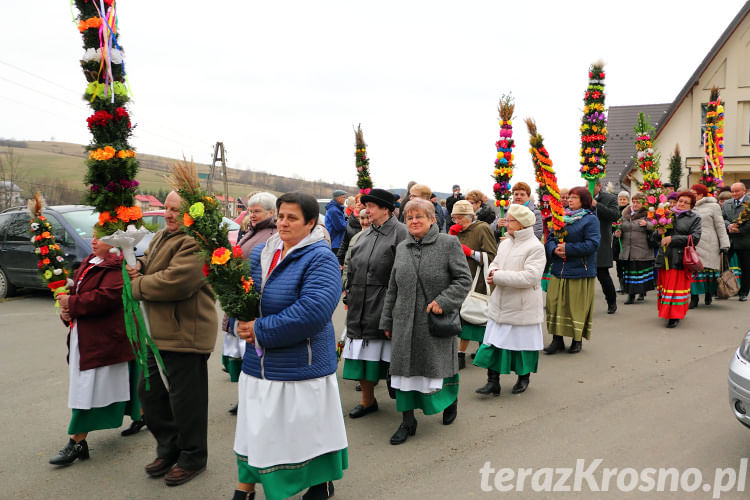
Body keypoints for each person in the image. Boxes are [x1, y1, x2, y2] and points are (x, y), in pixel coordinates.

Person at [233, 192, 347, 500]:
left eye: (292, 217)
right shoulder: (263, 252)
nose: (283, 222)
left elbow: (313, 311)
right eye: (281, 216)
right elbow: (243, 297)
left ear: (310, 223)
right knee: (258, 430)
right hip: (260, 364)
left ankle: (318, 483)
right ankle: (246, 488)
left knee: (305, 435)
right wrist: (238, 323)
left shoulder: (320, 258)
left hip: (302, 365)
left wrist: (261, 329)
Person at [127, 190, 218, 486]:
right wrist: (140, 266)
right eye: (166, 208)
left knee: (186, 402)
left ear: (191, 213)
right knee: (150, 394)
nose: (168, 214)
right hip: (159, 334)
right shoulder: (160, 237)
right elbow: (155, 267)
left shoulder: (195, 242)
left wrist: (138, 284)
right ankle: (170, 448)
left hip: (185, 334)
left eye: (176, 210)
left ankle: (193, 456)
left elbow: (177, 282)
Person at [380, 198, 471, 445]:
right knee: (403, 373)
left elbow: (464, 279)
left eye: (419, 216)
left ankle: (450, 401)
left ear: (432, 219)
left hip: (434, 321)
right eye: (409, 217)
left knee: (438, 367)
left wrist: (445, 300)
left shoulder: (449, 243)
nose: (414, 221)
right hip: (403, 322)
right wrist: (387, 321)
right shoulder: (402, 248)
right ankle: (407, 421)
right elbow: (393, 288)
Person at [49, 236, 138, 466]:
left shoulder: (118, 267)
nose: (94, 240)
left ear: (115, 241)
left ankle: (77, 441)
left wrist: (72, 303)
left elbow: (106, 297)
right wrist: (65, 310)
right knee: (91, 387)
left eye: (102, 237)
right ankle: (143, 415)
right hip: (85, 337)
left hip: (103, 341)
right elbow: (79, 293)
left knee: (86, 391)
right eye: (94, 235)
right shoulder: (90, 261)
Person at [343, 188, 408, 418]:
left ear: (387, 210)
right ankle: (368, 401)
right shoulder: (364, 235)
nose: (366, 210)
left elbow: (406, 273)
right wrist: (348, 292)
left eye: (371, 207)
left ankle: (405, 410)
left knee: (392, 359)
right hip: (360, 302)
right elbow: (352, 266)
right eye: (365, 206)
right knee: (361, 355)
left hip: (384, 304)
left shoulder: (401, 233)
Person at [473, 204, 545, 396]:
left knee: (522, 345)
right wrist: (492, 272)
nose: (505, 223)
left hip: (522, 306)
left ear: (522, 224)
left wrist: (498, 276)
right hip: (500, 303)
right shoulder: (505, 243)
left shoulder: (536, 247)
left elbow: (531, 277)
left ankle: (523, 378)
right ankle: (492, 382)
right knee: (493, 343)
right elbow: (494, 264)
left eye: (510, 220)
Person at [222, 192, 277, 415]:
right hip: (240, 300)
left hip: (252, 303)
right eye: (250, 211)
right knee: (242, 355)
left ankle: (255, 400)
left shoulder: (271, 235)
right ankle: (245, 397)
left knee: (254, 355)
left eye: (257, 211)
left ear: (271, 213)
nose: (252, 215)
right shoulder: (252, 231)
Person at [543, 187, 600, 354]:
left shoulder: (590, 220)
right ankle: (557, 340)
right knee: (554, 304)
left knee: (575, 306)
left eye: (575, 198)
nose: (570, 200)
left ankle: (577, 339)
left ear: (584, 200)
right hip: (559, 269)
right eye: (569, 197)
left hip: (579, 270)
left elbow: (593, 244)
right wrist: (554, 249)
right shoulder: (562, 217)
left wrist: (568, 248)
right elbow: (551, 239)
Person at [448, 200, 497, 369]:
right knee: (464, 318)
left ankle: (464, 354)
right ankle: (478, 350)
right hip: (459, 279)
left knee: (473, 317)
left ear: (469, 216)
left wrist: (470, 253)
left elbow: (492, 257)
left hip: (478, 280)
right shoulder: (457, 230)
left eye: (459, 218)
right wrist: (452, 236)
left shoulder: (482, 229)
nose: (456, 222)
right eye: (454, 218)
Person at [651, 191, 702, 328]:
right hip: (665, 257)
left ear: (691, 206)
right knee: (666, 287)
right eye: (680, 201)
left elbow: (695, 238)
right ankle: (666, 312)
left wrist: (672, 239)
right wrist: (658, 232)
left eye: (686, 202)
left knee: (676, 288)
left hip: (680, 258)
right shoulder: (667, 214)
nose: (682, 204)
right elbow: (654, 239)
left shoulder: (695, 218)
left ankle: (675, 315)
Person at [689, 184, 730, 308]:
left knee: (708, 272)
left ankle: (708, 294)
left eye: (694, 194)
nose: (692, 196)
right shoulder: (689, 206)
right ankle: (694, 298)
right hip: (693, 243)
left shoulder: (714, 206)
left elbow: (720, 225)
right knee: (694, 271)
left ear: (701, 194)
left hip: (710, 243)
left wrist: (724, 244)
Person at [616, 192, 655, 304]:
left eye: (638, 202)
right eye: (634, 202)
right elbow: (620, 227)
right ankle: (631, 295)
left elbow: (657, 227)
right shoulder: (625, 214)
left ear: (644, 203)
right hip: (627, 250)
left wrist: (647, 225)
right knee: (630, 273)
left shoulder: (648, 214)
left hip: (642, 249)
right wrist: (618, 232)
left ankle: (641, 293)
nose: (635, 204)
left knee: (640, 272)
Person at [593, 180, 620, 314]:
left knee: (603, 275)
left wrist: (596, 205)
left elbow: (615, 215)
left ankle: (611, 302)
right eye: (586, 186)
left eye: (590, 185)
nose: (588, 188)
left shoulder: (609, 198)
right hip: (584, 243)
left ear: (598, 186)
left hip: (601, 242)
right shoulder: (581, 198)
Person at [722, 182, 750, 301]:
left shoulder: (748, 203)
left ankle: (744, 292)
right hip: (729, 240)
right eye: (732, 191)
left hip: (745, 240)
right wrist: (729, 226)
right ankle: (723, 289)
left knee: (746, 267)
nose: (734, 194)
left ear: (744, 191)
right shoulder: (727, 203)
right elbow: (722, 218)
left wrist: (740, 229)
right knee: (723, 265)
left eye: (737, 191)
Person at [342, 210, 371, 291]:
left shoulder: (378, 238)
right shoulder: (355, 238)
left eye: (368, 218)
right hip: (353, 288)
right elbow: (347, 263)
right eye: (362, 218)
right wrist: (346, 283)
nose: (365, 222)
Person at [336, 194, 364, 267]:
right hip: (350, 260)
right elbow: (345, 242)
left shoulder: (371, 221)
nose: (358, 204)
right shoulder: (351, 219)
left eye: (361, 202)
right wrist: (339, 259)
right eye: (356, 201)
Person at [613, 191, 631, 293]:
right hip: (617, 241)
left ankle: (628, 284)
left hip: (626, 241)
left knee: (626, 264)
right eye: (620, 199)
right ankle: (621, 284)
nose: (622, 201)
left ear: (628, 200)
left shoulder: (629, 211)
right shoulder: (615, 211)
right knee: (619, 264)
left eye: (624, 199)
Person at [325, 190, 347, 255]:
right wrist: (349, 223)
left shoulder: (335, 208)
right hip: (335, 242)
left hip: (335, 241)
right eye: (343, 197)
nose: (345, 199)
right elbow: (340, 227)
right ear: (338, 198)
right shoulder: (334, 210)